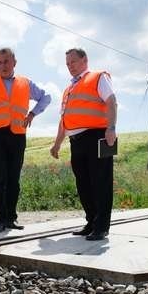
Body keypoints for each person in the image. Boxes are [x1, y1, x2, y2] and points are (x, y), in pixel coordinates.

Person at [0, 48, 51, 233]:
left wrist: (33, 113)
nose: (3, 65)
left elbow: (46, 97)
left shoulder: (26, 83)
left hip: (18, 134)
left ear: (14, 62)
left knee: (14, 179)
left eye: (6, 61)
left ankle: (11, 218)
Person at [49, 48, 117, 241]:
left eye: (73, 62)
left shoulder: (98, 77)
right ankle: (91, 222)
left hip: (97, 136)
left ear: (84, 60)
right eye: (67, 64)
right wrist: (57, 145)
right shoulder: (69, 89)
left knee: (100, 182)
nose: (70, 66)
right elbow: (64, 119)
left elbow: (112, 101)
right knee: (84, 184)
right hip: (76, 141)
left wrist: (111, 128)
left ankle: (102, 227)